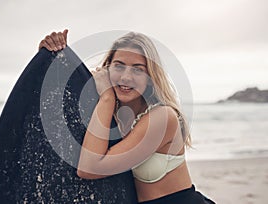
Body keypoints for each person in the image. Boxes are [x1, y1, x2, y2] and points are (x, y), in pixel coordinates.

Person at [39, 29, 215, 204]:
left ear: (150, 77)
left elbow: (89, 168)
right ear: (108, 68)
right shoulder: (104, 104)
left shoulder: (162, 117)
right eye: (119, 66)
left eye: (138, 70)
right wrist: (47, 56)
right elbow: (55, 98)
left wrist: (107, 97)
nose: (126, 77)